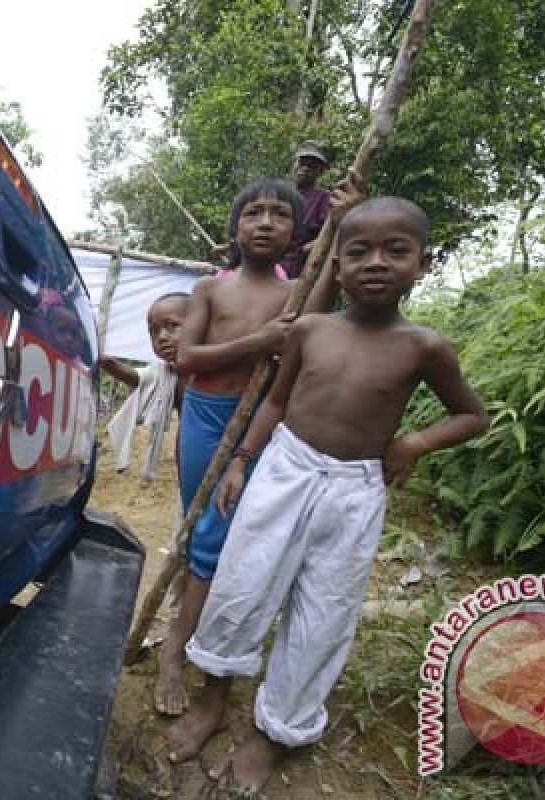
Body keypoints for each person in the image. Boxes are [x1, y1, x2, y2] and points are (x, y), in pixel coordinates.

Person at [171, 197, 488, 793]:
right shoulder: (311, 329)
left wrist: (414, 443)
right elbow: (276, 402)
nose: (376, 263)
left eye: (396, 250)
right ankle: (213, 698)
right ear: (335, 263)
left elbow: (473, 415)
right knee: (243, 582)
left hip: (355, 489)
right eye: (358, 250)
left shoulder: (424, 347)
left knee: (324, 611)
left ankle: (275, 732)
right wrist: (242, 460)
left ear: (423, 263)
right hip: (285, 470)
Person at [155, 175, 358, 724]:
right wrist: (257, 342)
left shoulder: (297, 290)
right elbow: (188, 357)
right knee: (199, 526)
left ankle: (193, 643)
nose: (266, 223)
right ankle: (178, 644)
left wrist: (340, 223)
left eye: (280, 215)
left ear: (296, 230)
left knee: (227, 534)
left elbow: (310, 324)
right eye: (254, 213)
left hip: (259, 427)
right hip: (203, 414)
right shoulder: (210, 290)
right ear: (236, 225)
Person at [100, 292, 189, 474]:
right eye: (153, 331)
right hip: (188, 448)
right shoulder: (167, 372)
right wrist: (95, 354)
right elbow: (127, 373)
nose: (162, 337)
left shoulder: (219, 369)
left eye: (173, 326)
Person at [280, 140, 333, 279]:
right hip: (270, 267)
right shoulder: (279, 194)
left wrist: (313, 246)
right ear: (294, 164)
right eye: (302, 163)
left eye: (312, 166)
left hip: (300, 273)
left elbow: (334, 231)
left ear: (320, 171)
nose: (305, 168)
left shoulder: (324, 198)